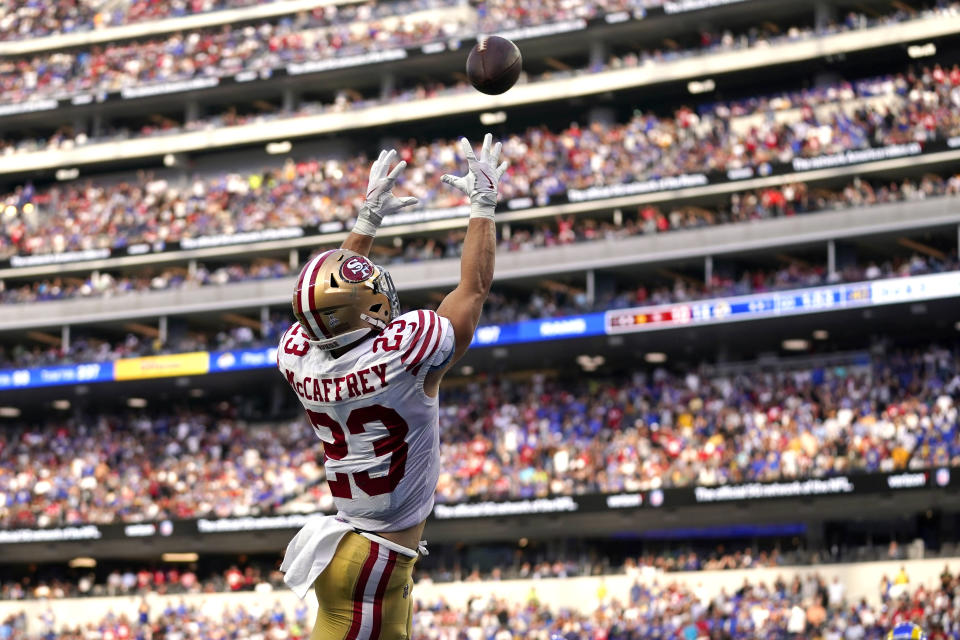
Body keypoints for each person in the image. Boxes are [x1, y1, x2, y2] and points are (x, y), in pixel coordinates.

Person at [278, 135, 507, 640]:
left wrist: (365, 224)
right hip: (371, 564)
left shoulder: (299, 358)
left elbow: (330, 301)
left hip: (361, 552)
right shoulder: (403, 356)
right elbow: (472, 290)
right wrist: (483, 205)